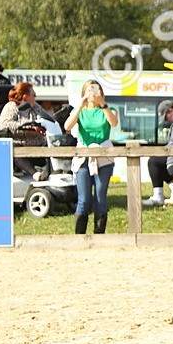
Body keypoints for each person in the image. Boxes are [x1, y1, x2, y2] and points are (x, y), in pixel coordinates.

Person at [64, 80, 119, 234]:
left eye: (96, 90)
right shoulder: (79, 110)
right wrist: (80, 105)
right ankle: (79, 236)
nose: (93, 93)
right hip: (84, 156)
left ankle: (99, 234)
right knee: (84, 199)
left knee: (100, 197)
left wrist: (102, 104)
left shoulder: (109, 109)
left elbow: (113, 123)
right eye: (90, 90)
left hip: (104, 157)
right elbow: (67, 126)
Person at [0, 82, 54, 176]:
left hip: (39, 144)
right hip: (20, 143)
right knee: (15, 150)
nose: (35, 96)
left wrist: (37, 108)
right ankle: (35, 174)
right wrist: (28, 127)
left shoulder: (34, 107)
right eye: (33, 93)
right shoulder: (12, 106)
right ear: (25, 95)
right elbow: (4, 125)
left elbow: (49, 119)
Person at [142, 100, 173, 207]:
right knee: (158, 161)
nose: (167, 121)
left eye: (166, 118)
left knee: (154, 161)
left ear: (170, 111)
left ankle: (159, 195)